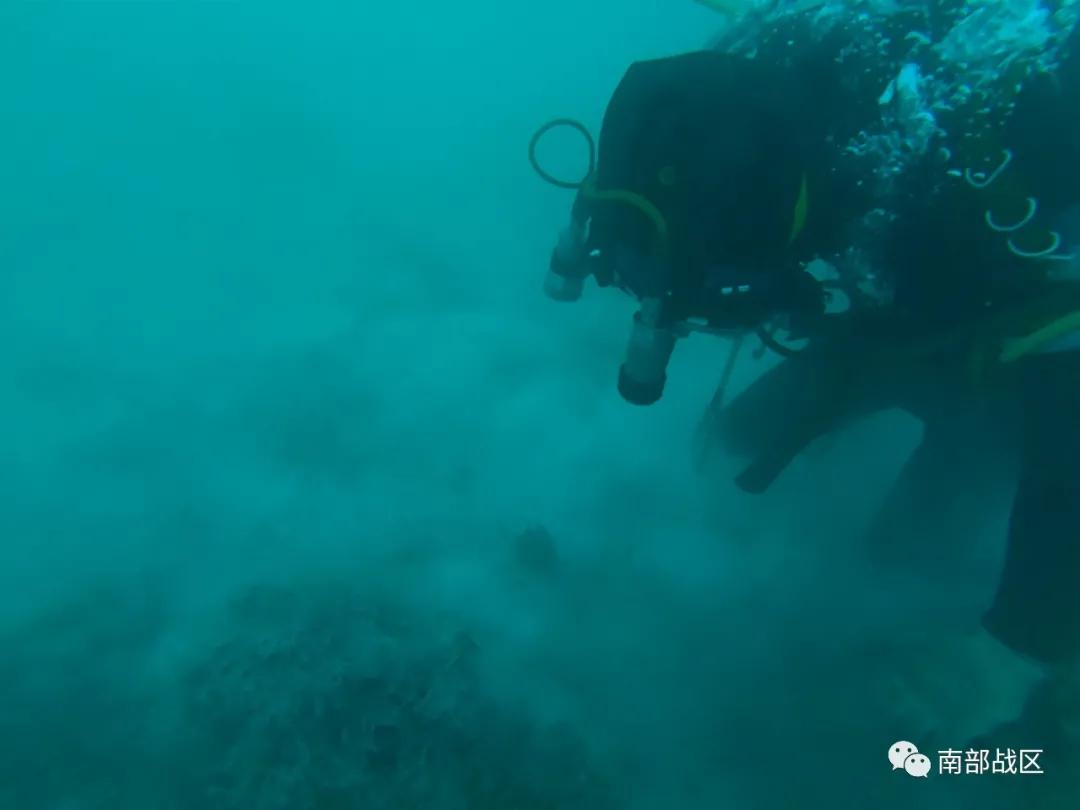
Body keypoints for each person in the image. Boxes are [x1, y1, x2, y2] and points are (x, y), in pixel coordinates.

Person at [534, 0, 1080, 746]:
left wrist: (1017, 642)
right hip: (908, 301)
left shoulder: (1004, 149)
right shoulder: (749, 90)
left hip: (1022, 333)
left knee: (901, 562)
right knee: (733, 447)